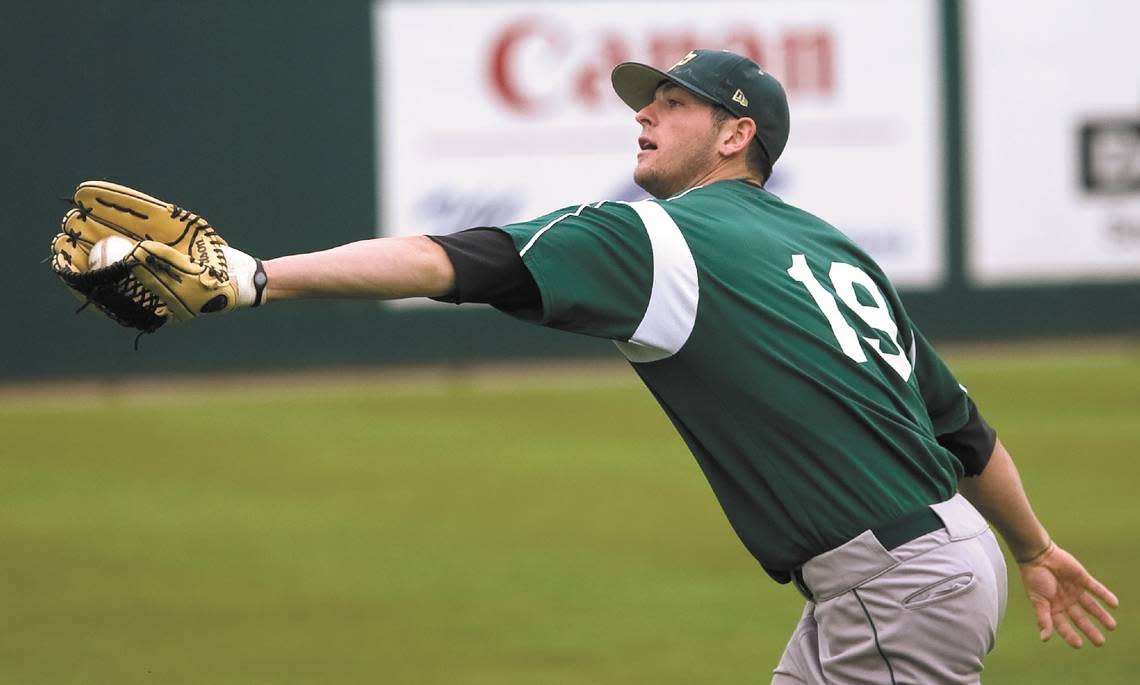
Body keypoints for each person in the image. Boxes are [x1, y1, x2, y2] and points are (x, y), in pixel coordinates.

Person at [68, 49, 1119, 683]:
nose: (644, 113)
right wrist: (1032, 546)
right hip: (932, 563)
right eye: (644, 99)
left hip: (895, 585)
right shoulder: (833, 247)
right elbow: (962, 430)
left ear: (735, 133)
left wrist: (260, 277)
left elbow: (456, 259)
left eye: (673, 103)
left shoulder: (659, 238)